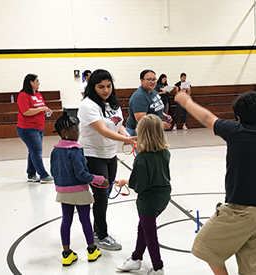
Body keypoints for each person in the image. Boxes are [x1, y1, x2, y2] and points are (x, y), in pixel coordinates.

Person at [175, 90, 256, 275]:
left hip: (242, 212)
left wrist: (186, 102)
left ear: (238, 118)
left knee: (204, 246)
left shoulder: (237, 132)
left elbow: (208, 119)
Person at [78, 69, 136, 250]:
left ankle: (98, 230)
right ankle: (101, 235)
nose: (106, 90)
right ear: (92, 87)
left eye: (109, 86)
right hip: (93, 155)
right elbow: (102, 130)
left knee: (105, 193)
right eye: (101, 87)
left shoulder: (113, 104)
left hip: (110, 155)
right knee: (101, 196)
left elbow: (118, 125)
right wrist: (127, 139)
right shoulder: (88, 105)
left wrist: (127, 136)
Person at [50, 114, 110, 266]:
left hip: (63, 191)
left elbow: (53, 172)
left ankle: (66, 253)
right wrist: (99, 179)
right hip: (79, 192)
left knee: (66, 220)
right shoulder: (75, 150)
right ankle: (91, 250)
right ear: (65, 133)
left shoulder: (55, 151)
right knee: (85, 220)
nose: (78, 133)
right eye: (75, 130)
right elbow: (81, 174)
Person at [116, 114, 171, 275]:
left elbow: (138, 185)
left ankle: (158, 267)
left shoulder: (142, 159)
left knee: (150, 233)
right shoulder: (165, 153)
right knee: (144, 227)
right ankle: (136, 258)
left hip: (148, 200)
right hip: (164, 196)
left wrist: (125, 181)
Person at [16, 73, 54, 183]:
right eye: (37, 81)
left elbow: (41, 107)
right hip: (27, 128)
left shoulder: (38, 94)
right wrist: (42, 109)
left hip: (39, 127)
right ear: (31, 82)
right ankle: (43, 175)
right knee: (37, 151)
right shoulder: (23, 95)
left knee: (33, 150)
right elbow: (26, 111)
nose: (39, 83)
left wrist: (46, 110)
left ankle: (31, 174)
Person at [126, 69, 172, 136]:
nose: (152, 82)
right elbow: (141, 120)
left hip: (153, 129)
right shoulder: (139, 97)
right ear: (142, 81)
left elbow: (155, 107)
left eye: (154, 79)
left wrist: (164, 115)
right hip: (141, 132)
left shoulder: (153, 91)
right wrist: (159, 124)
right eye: (149, 79)